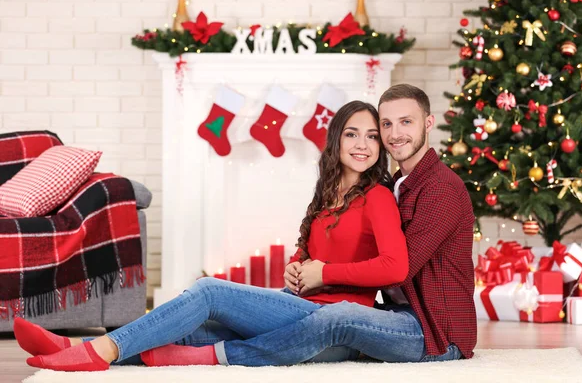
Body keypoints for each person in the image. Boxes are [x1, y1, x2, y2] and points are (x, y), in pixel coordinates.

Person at [15, 100, 410, 372]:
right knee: (191, 328)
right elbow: (306, 252)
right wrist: (296, 267)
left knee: (209, 292)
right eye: (353, 134)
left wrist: (324, 273)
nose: (363, 145)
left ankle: (99, 351)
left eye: (373, 136)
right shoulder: (327, 193)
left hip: (329, 320)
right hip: (296, 303)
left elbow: (395, 266)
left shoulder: (376, 196)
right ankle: (72, 348)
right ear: (336, 139)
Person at [204, 83, 477, 366]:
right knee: (285, 309)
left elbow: (397, 271)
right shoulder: (398, 185)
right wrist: (302, 267)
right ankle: (180, 342)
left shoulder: (440, 189)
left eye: (406, 122)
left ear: (428, 123)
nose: (395, 134)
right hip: (397, 314)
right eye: (386, 124)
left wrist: (324, 273)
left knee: (336, 316)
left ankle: (222, 356)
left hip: (437, 332)